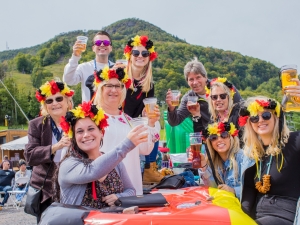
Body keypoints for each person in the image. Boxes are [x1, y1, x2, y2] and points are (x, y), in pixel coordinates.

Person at [54, 102, 147, 208]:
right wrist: (127, 144)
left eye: (91, 129)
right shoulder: (69, 164)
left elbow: (131, 190)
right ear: (74, 138)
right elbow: (93, 171)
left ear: (101, 132)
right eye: (80, 131)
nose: (86, 135)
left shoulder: (115, 163)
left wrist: (119, 197)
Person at [93, 66, 161, 195]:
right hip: (105, 188)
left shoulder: (129, 120)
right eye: (109, 85)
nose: (114, 90)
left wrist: (151, 124)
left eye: (118, 86)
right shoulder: (92, 119)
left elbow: (145, 149)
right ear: (100, 88)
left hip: (131, 187)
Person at [239, 96, 300, 225]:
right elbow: (249, 189)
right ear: (250, 123)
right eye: (254, 118)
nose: (260, 120)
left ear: (276, 117)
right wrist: (241, 217)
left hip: (286, 217)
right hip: (258, 218)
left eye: (266, 115)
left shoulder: (295, 141)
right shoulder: (253, 154)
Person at [24, 80, 74, 222]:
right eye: (49, 101)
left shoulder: (78, 121)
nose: (55, 103)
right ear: (45, 106)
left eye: (59, 99)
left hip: (73, 185)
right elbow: (29, 156)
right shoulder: (37, 125)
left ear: (67, 101)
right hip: (45, 190)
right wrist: (56, 147)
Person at [122, 35, 162, 184]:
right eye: (136, 53)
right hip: (118, 118)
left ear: (149, 57)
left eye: (145, 54)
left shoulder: (148, 84)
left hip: (134, 120)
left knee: (155, 123)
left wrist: (148, 115)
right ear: (129, 55)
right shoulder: (121, 76)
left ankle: (149, 168)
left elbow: (143, 112)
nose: (140, 56)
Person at [166, 58, 242, 133]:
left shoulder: (223, 87)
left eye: (198, 77)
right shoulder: (189, 98)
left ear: (205, 77)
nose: (195, 82)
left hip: (234, 131)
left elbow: (241, 107)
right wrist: (171, 108)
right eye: (191, 79)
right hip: (211, 137)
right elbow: (174, 122)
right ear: (187, 82)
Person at [198, 121, 245, 200]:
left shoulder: (243, 158)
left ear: (231, 137)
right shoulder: (213, 161)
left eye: (224, 135)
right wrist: (203, 165)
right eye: (214, 137)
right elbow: (213, 187)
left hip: (241, 209)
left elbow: (253, 189)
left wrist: (233, 190)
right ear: (210, 143)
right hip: (225, 207)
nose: (219, 140)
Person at [63, 31, 114, 102]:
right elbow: (68, 80)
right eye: (98, 43)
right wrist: (75, 56)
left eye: (106, 43)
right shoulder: (84, 67)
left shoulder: (116, 68)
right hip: (89, 112)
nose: (102, 45)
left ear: (111, 47)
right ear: (93, 48)